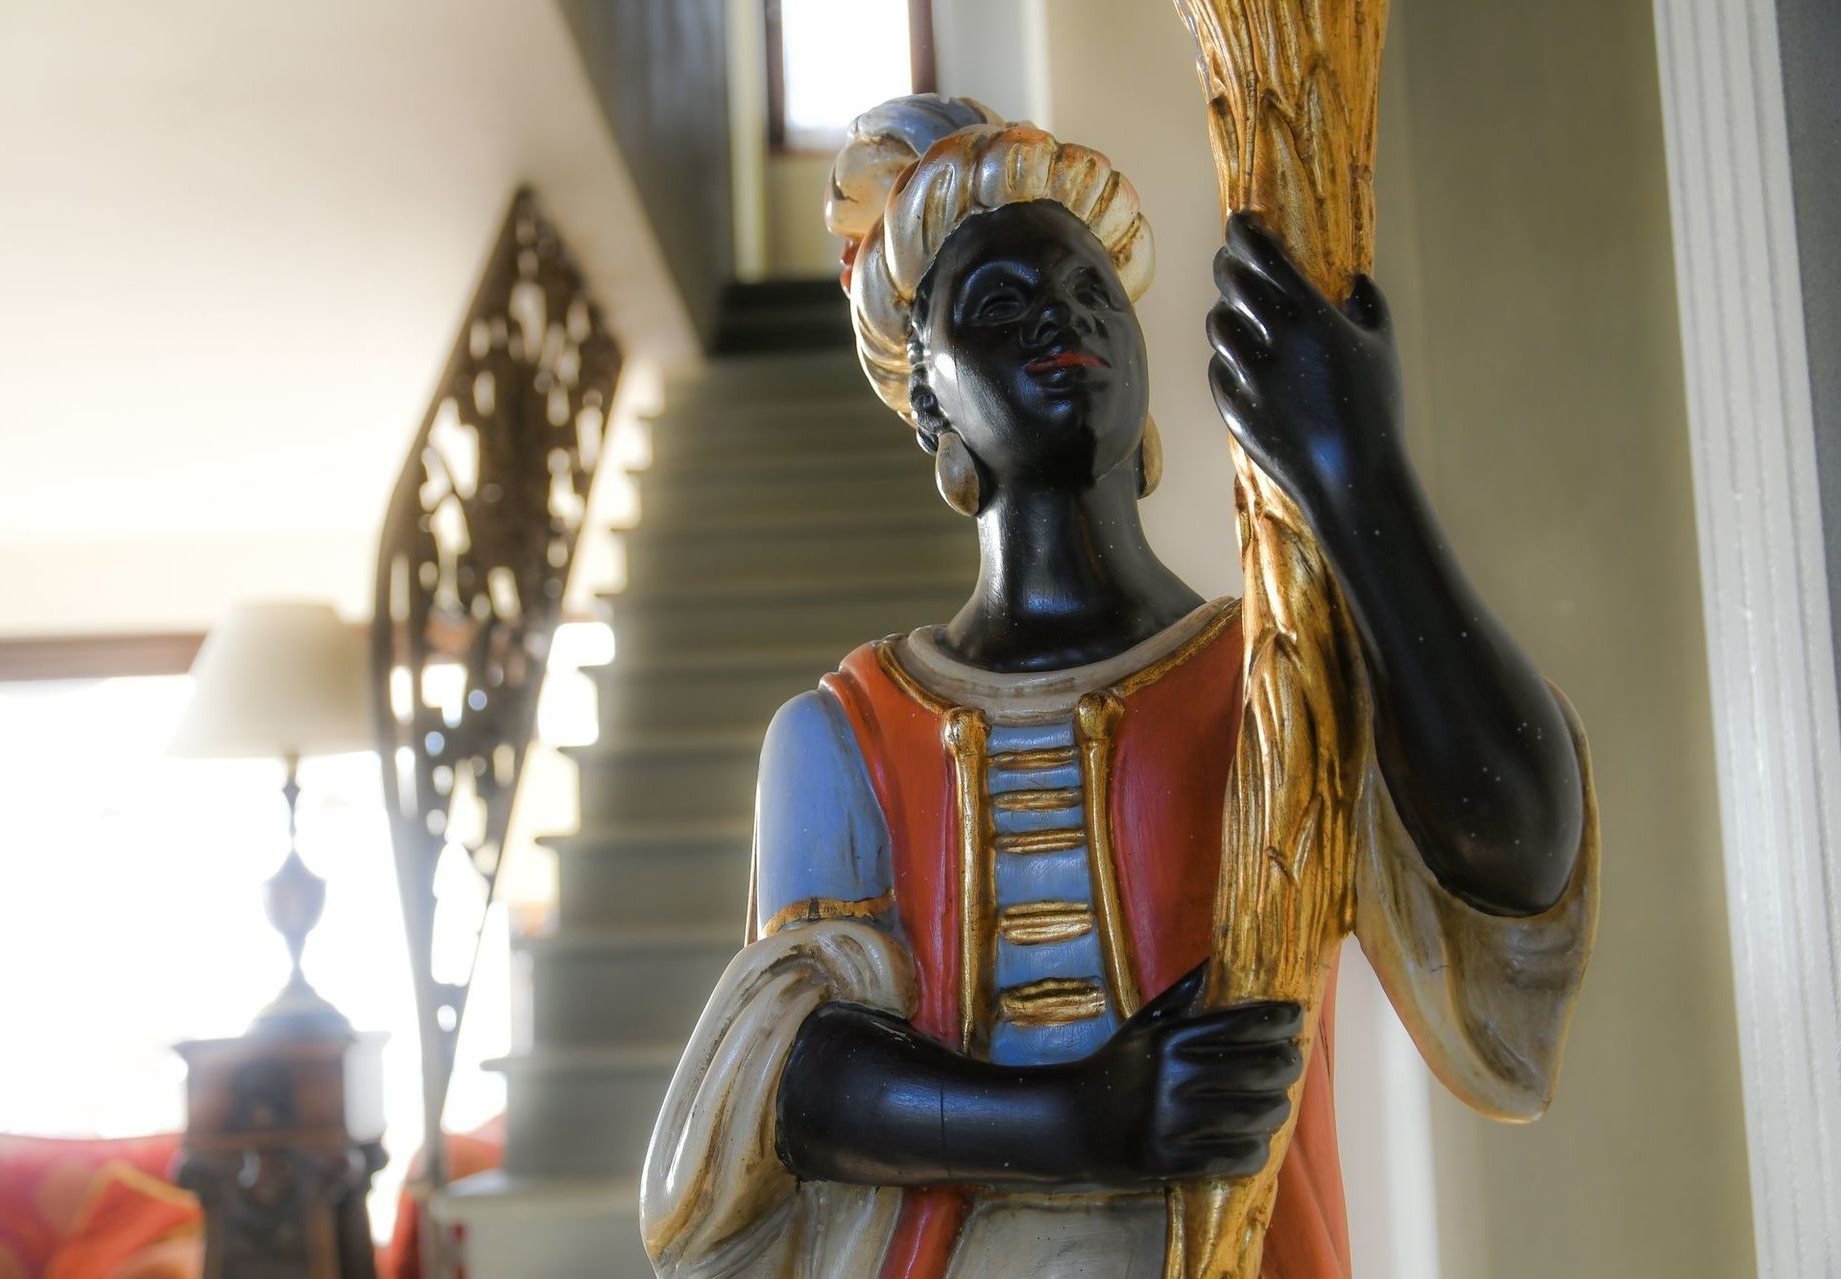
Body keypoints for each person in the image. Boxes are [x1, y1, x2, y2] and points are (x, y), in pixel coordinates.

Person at [642, 95, 1598, 1279]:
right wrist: (1080, 1121)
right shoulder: (848, 735)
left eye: (1093, 289)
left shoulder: (1276, 678)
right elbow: (792, 1078)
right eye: (1002, 304)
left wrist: (1355, 472)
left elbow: (1515, 856)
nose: (1064, 314)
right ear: (932, 398)